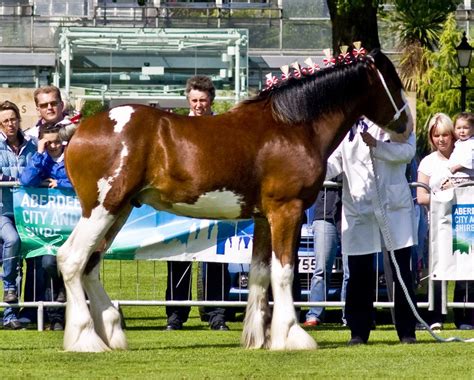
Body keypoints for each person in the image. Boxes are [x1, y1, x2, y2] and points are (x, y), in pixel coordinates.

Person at [326, 117, 418, 345]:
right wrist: (310, 168)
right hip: (358, 206)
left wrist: (378, 146)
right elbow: (334, 163)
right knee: (358, 273)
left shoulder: (398, 120)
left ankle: (407, 331)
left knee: (401, 272)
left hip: (393, 204)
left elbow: (407, 152)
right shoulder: (345, 127)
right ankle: (358, 331)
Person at [165, 75, 230, 331]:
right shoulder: (177, 127)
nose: (198, 105)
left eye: (203, 100)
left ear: (211, 100)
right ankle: (175, 316)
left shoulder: (223, 127)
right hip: (183, 203)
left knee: (216, 259)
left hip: (215, 203)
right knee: (178, 258)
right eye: (194, 100)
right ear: (188, 100)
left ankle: (217, 315)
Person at [20, 85, 70, 326]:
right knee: (39, 263)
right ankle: (37, 313)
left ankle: (71, 314)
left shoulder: (78, 132)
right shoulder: (30, 136)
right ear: (38, 108)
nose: (50, 108)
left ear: (61, 104)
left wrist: (60, 183)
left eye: (53, 103)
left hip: (72, 216)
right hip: (39, 216)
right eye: (44, 104)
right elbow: (27, 178)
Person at [416, 113, 456, 330]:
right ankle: (435, 316)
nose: (441, 139)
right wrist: (445, 196)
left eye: (445, 135)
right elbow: (421, 197)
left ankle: (465, 316)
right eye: (436, 135)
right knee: (437, 271)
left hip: (462, 224)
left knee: (465, 268)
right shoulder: (427, 163)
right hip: (436, 226)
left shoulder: (464, 158)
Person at [0, 100, 37, 329]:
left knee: (19, 262)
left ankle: (10, 316)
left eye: (13, 119)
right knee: (12, 240)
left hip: (26, 211)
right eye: (5, 121)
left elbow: (36, 171)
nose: (10, 124)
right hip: (2, 210)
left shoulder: (31, 145)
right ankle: (8, 287)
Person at [304, 176, 347, 327]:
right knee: (321, 269)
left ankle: (349, 316)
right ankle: (314, 315)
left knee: (350, 271)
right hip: (324, 212)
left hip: (351, 213)